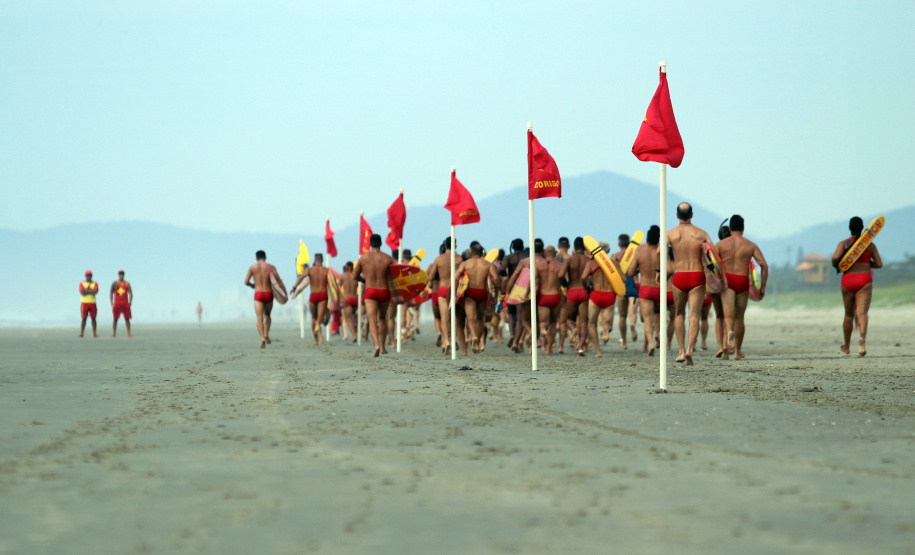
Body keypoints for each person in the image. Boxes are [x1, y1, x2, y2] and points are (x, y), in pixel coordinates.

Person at [667, 203, 716, 365]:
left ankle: (681, 352)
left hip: (679, 276)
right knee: (694, 315)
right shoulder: (701, 233)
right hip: (697, 275)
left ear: (676, 215)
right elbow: (713, 254)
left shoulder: (671, 233)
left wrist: (660, 271)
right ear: (692, 215)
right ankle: (689, 349)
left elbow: (660, 251)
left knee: (679, 314)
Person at [716, 215, 769, 360]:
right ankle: (738, 352)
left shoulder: (720, 245)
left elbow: (711, 263)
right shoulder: (750, 245)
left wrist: (711, 285)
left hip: (727, 280)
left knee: (727, 315)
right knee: (739, 317)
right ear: (743, 228)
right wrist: (762, 287)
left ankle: (728, 337)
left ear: (730, 228)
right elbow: (764, 265)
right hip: (742, 280)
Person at [832, 216, 882, 357]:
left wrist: (839, 263)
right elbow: (879, 264)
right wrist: (866, 263)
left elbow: (835, 258)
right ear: (863, 228)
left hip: (848, 280)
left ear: (849, 228)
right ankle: (862, 341)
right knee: (862, 313)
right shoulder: (870, 245)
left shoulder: (843, 244)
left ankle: (847, 347)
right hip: (864, 279)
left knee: (848, 314)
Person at [354, 234, 396, 357]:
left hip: (370, 291)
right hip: (384, 291)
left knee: (372, 320)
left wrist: (364, 280)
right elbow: (397, 273)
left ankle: (376, 345)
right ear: (381, 243)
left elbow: (355, 276)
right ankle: (383, 347)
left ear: (370, 244)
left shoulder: (363, 258)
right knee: (382, 318)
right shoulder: (388, 258)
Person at [455, 244, 500, 354]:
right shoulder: (488, 264)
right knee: (480, 319)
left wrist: (456, 292)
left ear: (471, 253)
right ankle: (478, 341)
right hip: (482, 293)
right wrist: (496, 293)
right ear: (482, 253)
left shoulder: (465, 263)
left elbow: (457, 277)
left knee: (470, 318)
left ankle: (474, 336)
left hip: (470, 293)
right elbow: (496, 278)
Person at [628, 226, 664, 356]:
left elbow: (630, 272)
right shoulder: (662, 252)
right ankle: (658, 333)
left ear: (647, 239)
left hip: (645, 289)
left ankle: (650, 344)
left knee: (647, 319)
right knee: (659, 314)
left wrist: (641, 269)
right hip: (659, 288)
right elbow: (670, 270)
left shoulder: (640, 252)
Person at [426, 237, 462, 355]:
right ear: (455, 246)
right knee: (455, 317)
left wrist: (430, 285)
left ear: (445, 246)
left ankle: (446, 341)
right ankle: (453, 339)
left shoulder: (439, 259)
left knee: (444, 317)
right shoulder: (460, 259)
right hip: (456, 290)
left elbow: (431, 277)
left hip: (442, 288)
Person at [581, 243, 617, 358]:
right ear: (608, 250)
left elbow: (583, 277)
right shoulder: (614, 263)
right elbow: (623, 279)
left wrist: (586, 286)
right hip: (609, 295)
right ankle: (606, 329)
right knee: (608, 323)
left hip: (595, 294)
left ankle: (598, 351)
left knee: (592, 323)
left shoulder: (591, 264)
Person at [244, 251, 284, 349]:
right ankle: (266, 334)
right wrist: (284, 293)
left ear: (256, 258)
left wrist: (252, 285)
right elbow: (278, 281)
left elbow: (246, 281)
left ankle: (262, 338)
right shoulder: (271, 267)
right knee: (267, 315)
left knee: (259, 318)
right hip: (268, 293)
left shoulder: (252, 268)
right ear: (265, 258)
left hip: (258, 294)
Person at [557, 237, 590, 355]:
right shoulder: (589, 260)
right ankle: (580, 347)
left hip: (572, 290)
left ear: (574, 247)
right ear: (585, 248)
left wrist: (565, 284)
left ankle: (573, 329)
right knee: (584, 322)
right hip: (584, 292)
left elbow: (560, 275)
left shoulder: (569, 260)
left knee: (567, 319)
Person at [290, 253, 330, 345]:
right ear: (322, 260)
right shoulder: (327, 270)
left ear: (314, 260)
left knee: (314, 318)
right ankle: (318, 325)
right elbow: (333, 284)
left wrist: (294, 288)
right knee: (320, 317)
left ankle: (315, 339)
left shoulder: (309, 270)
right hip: (323, 295)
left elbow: (301, 278)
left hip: (313, 295)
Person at [499, 239, 526, 352]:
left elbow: (501, 270)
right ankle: (516, 341)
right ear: (522, 246)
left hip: (511, 286)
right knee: (521, 318)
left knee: (511, 314)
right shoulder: (526, 257)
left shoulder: (508, 257)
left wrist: (507, 275)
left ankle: (512, 334)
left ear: (513, 247)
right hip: (523, 287)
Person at [109, 270, 133, 338]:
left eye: (122, 274)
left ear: (123, 275)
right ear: (118, 275)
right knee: (115, 319)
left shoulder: (127, 284)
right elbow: (111, 293)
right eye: (120, 274)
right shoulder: (114, 283)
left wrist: (130, 302)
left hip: (125, 304)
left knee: (127, 319)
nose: (121, 276)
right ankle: (114, 333)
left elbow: (130, 293)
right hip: (117, 304)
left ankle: (129, 333)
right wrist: (112, 303)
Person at [339, 262, 359, 342]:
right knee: (354, 315)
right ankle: (356, 327)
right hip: (355, 298)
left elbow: (338, 288)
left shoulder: (342, 276)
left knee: (349, 319)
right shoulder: (356, 276)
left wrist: (340, 298)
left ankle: (354, 335)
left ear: (346, 267)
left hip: (347, 299)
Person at [79, 270, 100, 338]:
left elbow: (96, 291)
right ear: (85, 276)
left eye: (90, 275)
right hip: (84, 303)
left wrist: (86, 290)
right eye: (87, 275)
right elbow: (82, 292)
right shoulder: (82, 283)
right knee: (84, 318)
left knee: (93, 318)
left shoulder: (95, 283)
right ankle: (81, 333)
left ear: (91, 276)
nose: (88, 277)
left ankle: (94, 333)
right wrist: (91, 291)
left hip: (92, 302)